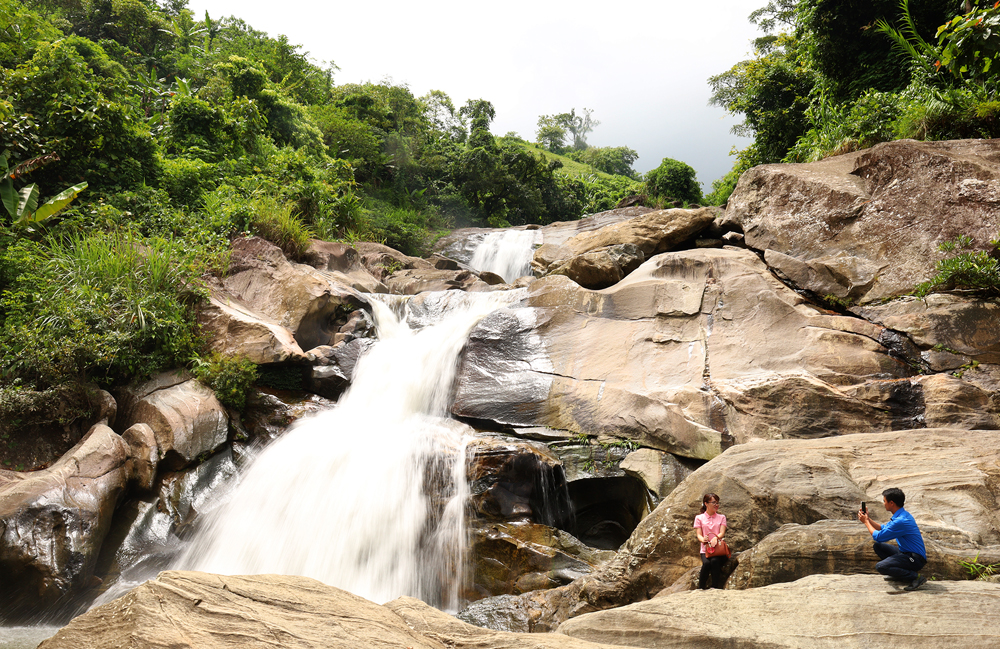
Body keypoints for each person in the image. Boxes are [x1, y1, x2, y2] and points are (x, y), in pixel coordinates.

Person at [858, 487, 927, 591]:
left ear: (891, 503)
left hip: (915, 559)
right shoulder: (902, 515)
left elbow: (879, 537)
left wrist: (866, 522)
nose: (883, 504)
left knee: (881, 567)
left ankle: (916, 577)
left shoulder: (901, 520)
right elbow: (883, 528)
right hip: (906, 553)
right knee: (878, 546)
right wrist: (868, 518)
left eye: (884, 501)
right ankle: (898, 573)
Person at [694, 492, 728, 589]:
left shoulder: (722, 517)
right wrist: (703, 539)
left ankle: (715, 587)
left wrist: (716, 538)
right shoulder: (699, 518)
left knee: (715, 561)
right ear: (706, 504)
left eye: (717, 503)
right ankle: (701, 588)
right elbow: (699, 535)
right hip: (705, 549)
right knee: (707, 563)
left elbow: (722, 533)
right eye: (713, 502)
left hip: (718, 549)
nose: (716, 505)